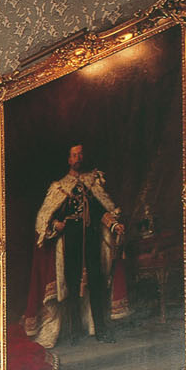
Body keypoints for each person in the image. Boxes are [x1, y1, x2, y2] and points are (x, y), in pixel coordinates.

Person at [27, 143, 125, 345]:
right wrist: (56, 224)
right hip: (69, 242)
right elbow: (46, 217)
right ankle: (74, 333)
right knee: (71, 286)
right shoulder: (60, 187)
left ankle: (101, 331)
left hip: (91, 240)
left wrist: (114, 225)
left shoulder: (92, 184)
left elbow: (101, 211)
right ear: (69, 160)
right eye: (74, 155)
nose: (78, 158)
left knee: (96, 284)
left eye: (81, 154)